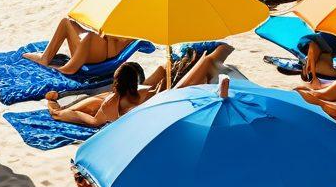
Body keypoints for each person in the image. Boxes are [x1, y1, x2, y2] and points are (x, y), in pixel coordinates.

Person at [44, 44, 234, 128]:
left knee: (163, 67)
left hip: (158, 100)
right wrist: (54, 105)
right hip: (165, 100)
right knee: (207, 62)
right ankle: (223, 48)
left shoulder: (123, 96)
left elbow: (93, 121)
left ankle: (55, 106)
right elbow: (91, 120)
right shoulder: (112, 103)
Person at [23, 18, 133, 75]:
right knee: (68, 22)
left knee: (68, 23)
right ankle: (46, 58)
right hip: (102, 50)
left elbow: (68, 70)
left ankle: (46, 58)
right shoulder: (136, 25)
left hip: (97, 52)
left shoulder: (124, 20)